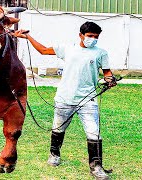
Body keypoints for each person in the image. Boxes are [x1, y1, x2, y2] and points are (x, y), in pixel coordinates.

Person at [13, 21, 116, 180]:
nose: (93, 39)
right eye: (90, 36)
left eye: (96, 37)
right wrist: (28, 37)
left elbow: (107, 72)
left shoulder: (100, 53)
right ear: (81, 35)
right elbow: (43, 50)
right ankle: (54, 154)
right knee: (58, 129)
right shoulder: (67, 48)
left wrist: (110, 80)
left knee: (94, 133)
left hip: (88, 100)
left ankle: (96, 167)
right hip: (64, 98)